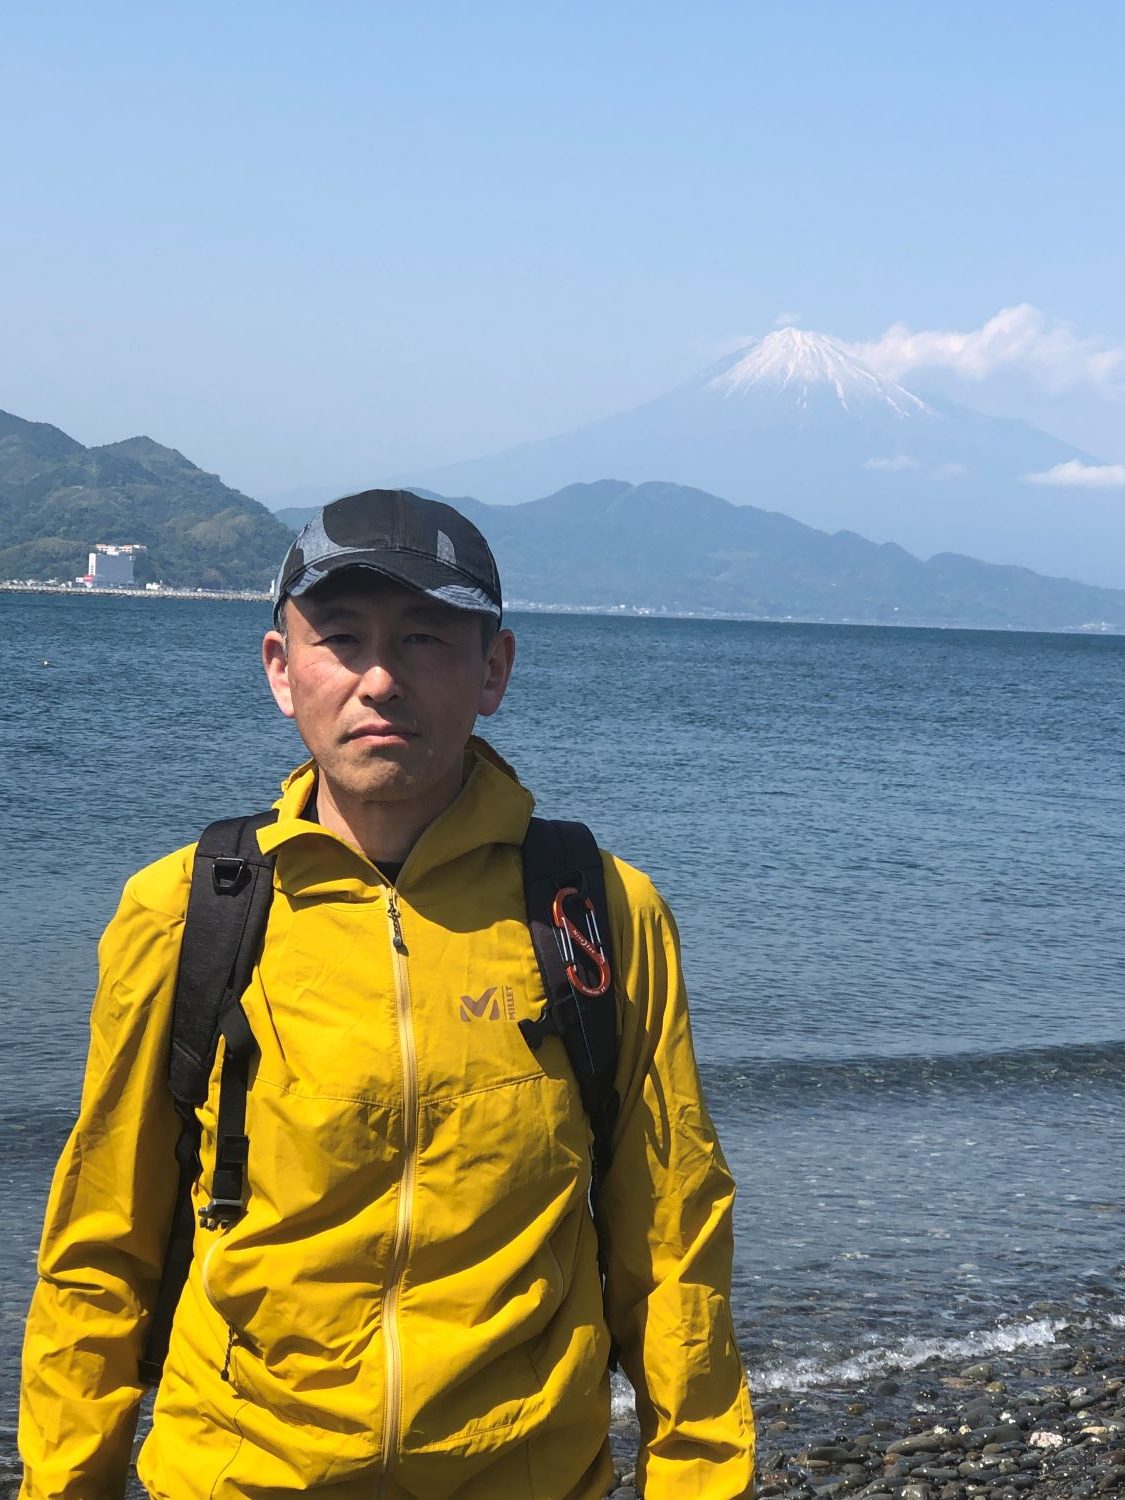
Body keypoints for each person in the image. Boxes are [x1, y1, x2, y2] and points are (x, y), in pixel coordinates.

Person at [18, 489, 755, 1499]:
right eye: (342, 638)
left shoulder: (598, 914)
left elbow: (673, 1239)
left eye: (423, 638)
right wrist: (67, 1483)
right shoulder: (186, 911)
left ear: (493, 670)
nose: (380, 678)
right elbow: (102, 1241)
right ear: (281, 669)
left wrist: (702, 1479)